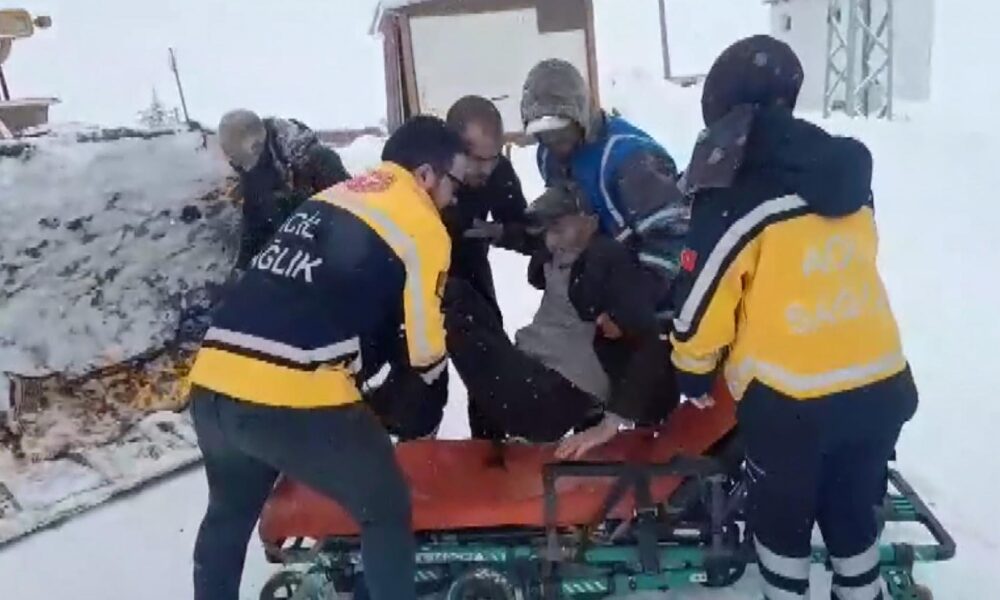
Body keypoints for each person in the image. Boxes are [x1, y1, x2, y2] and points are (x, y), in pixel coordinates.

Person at [669, 35, 918, 600]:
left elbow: (703, 303)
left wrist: (693, 371)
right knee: (852, 517)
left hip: (792, 403)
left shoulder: (734, 192)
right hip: (882, 385)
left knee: (782, 529)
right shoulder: (843, 176)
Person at [185, 115, 468, 600]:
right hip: (291, 392)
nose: (454, 197)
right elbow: (424, 345)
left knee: (229, 515)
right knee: (384, 505)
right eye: (453, 184)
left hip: (212, 377)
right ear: (425, 175)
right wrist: (428, 383)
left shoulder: (333, 197)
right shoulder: (423, 224)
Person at [444, 183, 678, 458]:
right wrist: (501, 233)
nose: (551, 239)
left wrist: (612, 422)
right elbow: (530, 237)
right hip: (531, 370)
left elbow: (649, 341)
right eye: (547, 229)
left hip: (554, 395)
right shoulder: (560, 249)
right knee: (462, 300)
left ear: (590, 221)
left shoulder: (608, 261)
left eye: (557, 227)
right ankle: (490, 458)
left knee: (454, 301)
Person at [520, 59, 690, 314]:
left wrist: (635, 306)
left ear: (580, 117)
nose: (554, 142)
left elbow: (672, 236)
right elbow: (570, 201)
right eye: (544, 134)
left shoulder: (629, 159)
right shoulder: (548, 156)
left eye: (561, 131)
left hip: (653, 282)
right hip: (602, 267)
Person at [441, 95, 530, 439]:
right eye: (478, 160)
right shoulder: (425, 161)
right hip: (416, 267)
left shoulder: (496, 171)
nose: (486, 171)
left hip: (469, 262)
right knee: (416, 365)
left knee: (488, 357)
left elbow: (525, 228)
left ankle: (490, 443)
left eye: (494, 159)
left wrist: (502, 232)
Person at [217, 109, 351, 269]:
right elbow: (254, 226)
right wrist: (242, 268)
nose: (239, 166)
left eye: (239, 158)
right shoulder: (254, 171)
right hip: (290, 260)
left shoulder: (317, 161)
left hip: (328, 256)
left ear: (255, 146)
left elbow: (350, 214)